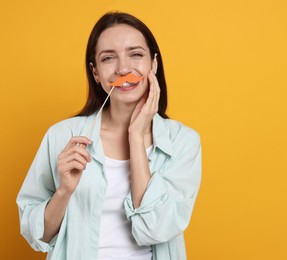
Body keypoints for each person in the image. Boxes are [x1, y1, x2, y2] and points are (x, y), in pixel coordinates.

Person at [17, 12, 202, 260]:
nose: (123, 68)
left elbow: (155, 229)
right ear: (95, 72)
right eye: (108, 58)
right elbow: (39, 236)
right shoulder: (62, 136)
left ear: (154, 64)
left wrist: (135, 137)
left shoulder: (183, 142)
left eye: (135, 54)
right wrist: (64, 191)